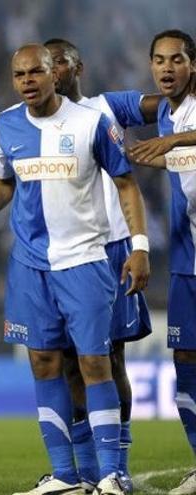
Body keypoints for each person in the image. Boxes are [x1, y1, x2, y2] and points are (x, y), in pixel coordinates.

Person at [0, 44, 149, 495]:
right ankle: (66, 475)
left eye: (35, 72)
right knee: (44, 362)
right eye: (19, 74)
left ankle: (110, 473)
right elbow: (5, 183)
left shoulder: (90, 122)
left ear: (53, 75)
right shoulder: (5, 126)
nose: (27, 81)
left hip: (84, 259)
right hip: (30, 265)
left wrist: (140, 246)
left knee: (93, 362)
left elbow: (125, 184)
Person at [43, 37, 155, 493]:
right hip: (60, 255)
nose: (52, 74)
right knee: (70, 361)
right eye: (44, 67)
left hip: (111, 248)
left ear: (77, 66)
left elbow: (161, 101)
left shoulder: (106, 107)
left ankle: (118, 466)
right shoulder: (33, 121)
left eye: (60, 65)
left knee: (110, 358)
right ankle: (87, 470)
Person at [126, 29, 196, 495]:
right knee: (185, 358)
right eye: (159, 60)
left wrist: (173, 143)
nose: (166, 68)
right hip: (188, 258)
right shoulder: (168, 114)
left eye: (176, 59)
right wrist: (138, 156)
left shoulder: (182, 121)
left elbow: (183, 147)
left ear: (193, 64)